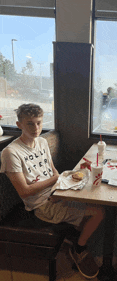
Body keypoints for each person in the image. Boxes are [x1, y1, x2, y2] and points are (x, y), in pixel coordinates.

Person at [0, 103, 105, 279]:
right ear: (19, 125)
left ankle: (74, 238)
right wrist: (56, 182)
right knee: (99, 213)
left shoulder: (41, 142)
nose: (36, 128)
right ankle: (79, 249)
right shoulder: (11, 153)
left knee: (93, 198)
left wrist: (59, 187)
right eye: (30, 124)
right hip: (41, 205)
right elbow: (25, 192)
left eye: (39, 123)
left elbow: (53, 171)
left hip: (56, 193)